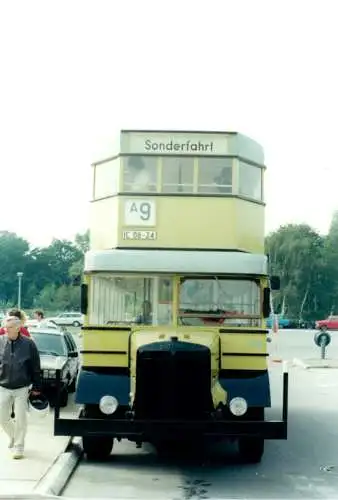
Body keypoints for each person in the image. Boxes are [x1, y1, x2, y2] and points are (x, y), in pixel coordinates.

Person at [0, 316, 42, 459]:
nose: (6, 329)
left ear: (18, 328)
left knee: (20, 418)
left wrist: (37, 386)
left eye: (10, 327)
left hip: (21, 388)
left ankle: (19, 447)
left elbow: (36, 367)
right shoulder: (0, 341)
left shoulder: (29, 344)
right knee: (2, 418)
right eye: (5, 327)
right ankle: (13, 435)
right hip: (3, 386)